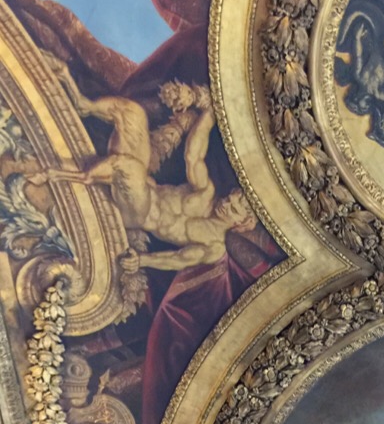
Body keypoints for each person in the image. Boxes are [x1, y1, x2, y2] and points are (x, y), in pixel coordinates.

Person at [34, 61, 257, 271]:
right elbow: (193, 155)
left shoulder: (214, 245)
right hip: (141, 185)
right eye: (231, 199)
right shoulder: (206, 192)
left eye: (233, 209)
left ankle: (69, 175)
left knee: (129, 168)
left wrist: (142, 260)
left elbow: (178, 259)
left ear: (243, 223)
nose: (226, 203)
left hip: (137, 213)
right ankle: (84, 104)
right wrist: (209, 116)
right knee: (133, 114)